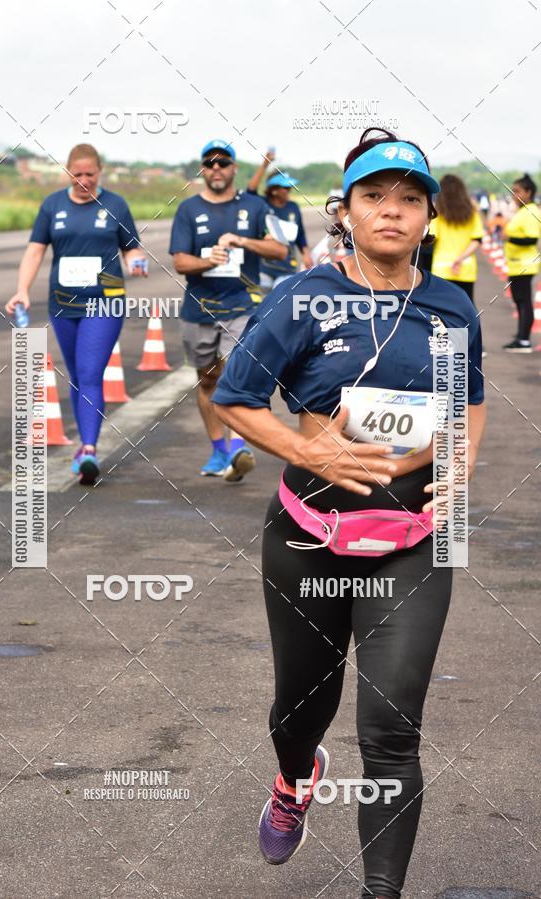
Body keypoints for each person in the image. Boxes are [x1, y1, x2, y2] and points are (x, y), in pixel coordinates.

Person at [213, 127, 486, 899]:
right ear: (348, 211)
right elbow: (233, 400)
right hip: (310, 537)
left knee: (391, 731)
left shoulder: (451, 308)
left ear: (430, 215)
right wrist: (314, 454)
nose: (391, 212)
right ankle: (295, 778)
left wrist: (459, 463)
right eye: (375, 198)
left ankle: (380, 891)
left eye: (409, 199)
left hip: (412, 543)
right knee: (301, 713)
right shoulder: (304, 297)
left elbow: (468, 406)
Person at [6, 143, 147, 485]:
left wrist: (136, 263)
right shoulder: (53, 205)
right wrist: (22, 289)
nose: (84, 180)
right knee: (77, 374)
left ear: (100, 172)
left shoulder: (115, 205)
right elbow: (35, 251)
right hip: (63, 304)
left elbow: (132, 249)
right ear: (67, 172)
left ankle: (88, 448)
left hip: (105, 302)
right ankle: (85, 445)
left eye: (90, 174)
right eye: (77, 173)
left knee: (89, 371)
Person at [169, 138, 287, 481]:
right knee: (207, 381)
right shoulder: (188, 210)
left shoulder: (255, 207)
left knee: (235, 374)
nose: (216, 169)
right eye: (210, 163)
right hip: (199, 311)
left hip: (242, 307)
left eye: (223, 163)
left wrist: (242, 240)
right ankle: (220, 451)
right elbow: (179, 261)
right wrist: (207, 261)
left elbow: (280, 250)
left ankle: (238, 448)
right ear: (203, 169)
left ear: (235, 168)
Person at [247, 151, 311, 289]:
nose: (289, 190)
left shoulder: (293, 207)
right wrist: (265, 164)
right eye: (286, 188)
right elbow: (250, 191)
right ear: (274, 190)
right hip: (263, 267)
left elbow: (300, 235)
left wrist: (306, 255)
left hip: (287, 266)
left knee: (282, 296)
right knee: (261, 298)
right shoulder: (261, 204)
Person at [429, 174, 483, 305]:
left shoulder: (438, 213)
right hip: (466, 268)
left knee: (444, 310)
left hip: (442, 269)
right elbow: (477, 240)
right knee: (466, 309)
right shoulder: (472, 212)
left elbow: (433, 237)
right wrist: (460, 259)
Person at [502, 173, 540, 352]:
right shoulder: (523, 211)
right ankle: (521, 335)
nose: (513, 194)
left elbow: (531, 239)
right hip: (516, 263)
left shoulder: (531, 211)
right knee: (519, 300)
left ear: (528, 192)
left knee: (524, 301)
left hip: (525, 263)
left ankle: (524, 340)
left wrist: (509, 238)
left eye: (517, 191)